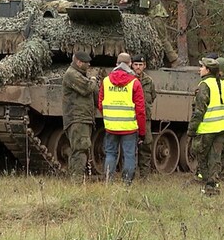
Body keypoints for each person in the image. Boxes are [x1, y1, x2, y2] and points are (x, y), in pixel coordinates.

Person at [98, 52, 146, 185]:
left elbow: (100, 103)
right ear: (130, 64)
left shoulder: (106, 81)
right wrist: (142, 132)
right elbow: (140, 110)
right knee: (129, 156)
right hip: (129, 128)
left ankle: (108, 181)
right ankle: (126, 184)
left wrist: (109, 117)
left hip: (111, 126)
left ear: (116, 64)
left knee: (110, 154)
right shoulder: (135, 83)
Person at [187, 57, 224, 195]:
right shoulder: (222, 84)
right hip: (222, 127)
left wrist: (192, 129)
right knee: (215, 158)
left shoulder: (205, 85)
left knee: (201, 156)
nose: (199, 69)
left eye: (202, 67)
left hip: (208, 127)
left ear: (208, 70)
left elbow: (199, 110)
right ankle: (212, 186)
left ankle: (206, 182)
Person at [117, 0, 181, 68]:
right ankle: (166, 61)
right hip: (149, 17)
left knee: (161, 38)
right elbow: (138, 0)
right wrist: (128, 1)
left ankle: (174, 60)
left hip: (156, 15)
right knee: (154, 40)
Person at [62, 51, 99, 181]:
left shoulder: (78, 74)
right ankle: (76, 181)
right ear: (78, 62)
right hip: (78, 118)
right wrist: (94, 78)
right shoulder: (72, 74)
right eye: (86, 62)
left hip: (82, 117)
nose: (89, 65)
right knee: (81, 149)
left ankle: (75, 178)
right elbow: (87, 88)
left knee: (79, 149)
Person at [131, 54, 156, 178]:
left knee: (145, 147)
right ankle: (130, 175)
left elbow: (153, 97)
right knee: (130, 147)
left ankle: (144, 176)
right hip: (131, 118)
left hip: (145, 119)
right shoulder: (129, 79)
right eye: (136, 65)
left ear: (144, 66)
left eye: (140, 65)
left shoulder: (149, 81)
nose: (138, 67)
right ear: (132, 65)